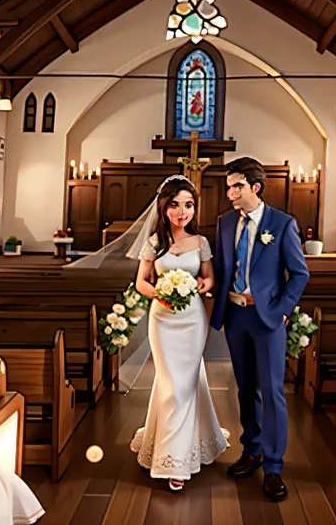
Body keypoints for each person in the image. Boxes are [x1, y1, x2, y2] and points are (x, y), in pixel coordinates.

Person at [210, 157, 310, 502]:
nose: (230, 193)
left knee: (272, 392)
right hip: (235, 317)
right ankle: (250, 450)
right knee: (244, 389)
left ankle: (273, 467)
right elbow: (222, 269)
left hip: (267, 319)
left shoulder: (281, 224)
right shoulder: (224, 223)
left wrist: (282, 310)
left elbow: (299, 273)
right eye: (228, 187)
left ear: (255, 187)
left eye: (236, 186)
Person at [129, 175, 229, 493]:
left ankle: (177, 459)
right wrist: (160, 293)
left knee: (185, 384)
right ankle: (170, 452)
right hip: (162, 321)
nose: (182, 212)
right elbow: (141, 282)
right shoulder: (154, 244)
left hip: (191, 322)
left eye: (188, 205)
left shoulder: (200, 243)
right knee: (170, 383)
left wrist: (203, 285)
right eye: (175, 205)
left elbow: (209, 278)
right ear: (164, 208)